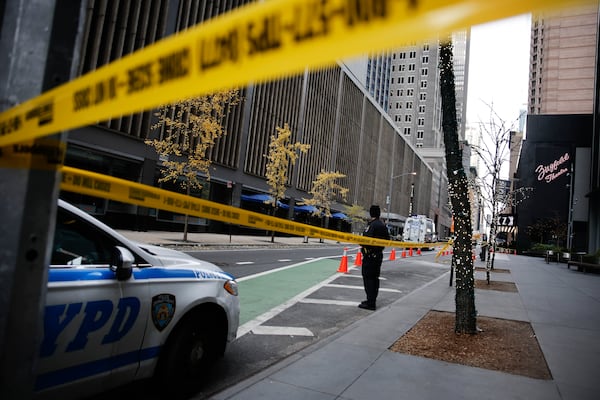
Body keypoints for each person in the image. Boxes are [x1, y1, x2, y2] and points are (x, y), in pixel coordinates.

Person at [359, 205, 389, 310]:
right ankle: (372, 300)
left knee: (368, 279)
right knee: (375, 279)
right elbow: (387, 239)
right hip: (378, 256)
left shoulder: (372, 225)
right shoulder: (383, 225)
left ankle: (370, 303)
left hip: (370, 256)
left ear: (371, 213)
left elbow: (365, 240)